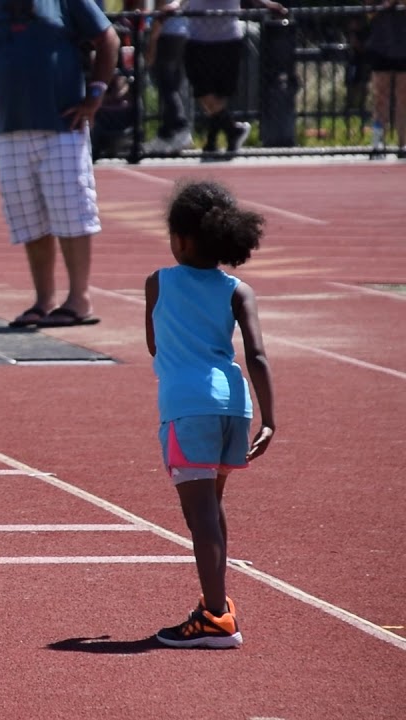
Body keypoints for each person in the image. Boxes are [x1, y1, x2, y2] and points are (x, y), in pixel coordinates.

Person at [145, 179, 275, 649]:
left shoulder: (159, 282)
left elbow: (154, 344)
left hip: (186, 408)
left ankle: (217, 617)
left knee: (199, 516)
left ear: (180, 239)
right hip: (235, 407)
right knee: (213, 509)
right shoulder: (239, 289)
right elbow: (257, 355)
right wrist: (270, 419)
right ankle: (213, 605)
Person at [0, 0, 119, 328]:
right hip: (10, 128)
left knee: (71, 212)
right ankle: (44, 299)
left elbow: (108, 38)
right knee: (29, 218)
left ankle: (79, 298)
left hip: (61, 124)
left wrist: (96, 94)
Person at [163, 0, 286, 156]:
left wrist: (268, 4)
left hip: (227, 39)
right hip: (198, 40)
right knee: (203, 92)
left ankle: (212, 140)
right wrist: (175, 5)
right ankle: (233, 129)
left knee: (221, 93)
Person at [142, 2, 193, 154]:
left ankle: (180, 126)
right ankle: (166, 133)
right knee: (173, 83)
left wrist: (152, 39)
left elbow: (163, 11)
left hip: (167, 33)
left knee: (166, 83)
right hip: (181, 30)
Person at [366, 0, 406, 156]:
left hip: (403, 47)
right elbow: (369, 10)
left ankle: (403, 144)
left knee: (403, 98)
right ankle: (377, 143)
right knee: (380, 98)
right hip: (381, 47)